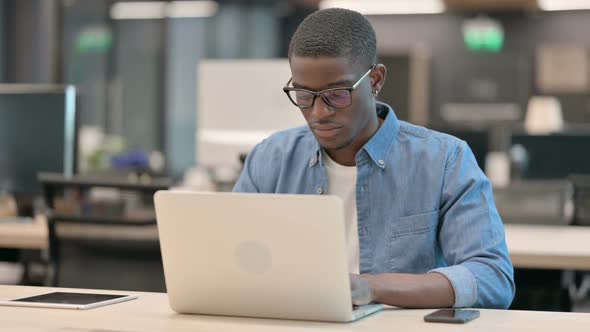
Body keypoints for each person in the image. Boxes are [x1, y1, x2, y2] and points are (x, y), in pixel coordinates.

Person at [233, 8, 514, 309]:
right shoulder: (270, 159)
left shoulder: (444, 160)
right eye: (304, 95)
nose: (318, 113)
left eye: (337, 95)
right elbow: (229, 260)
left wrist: (368, 288)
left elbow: (492, 279)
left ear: (375, 80)